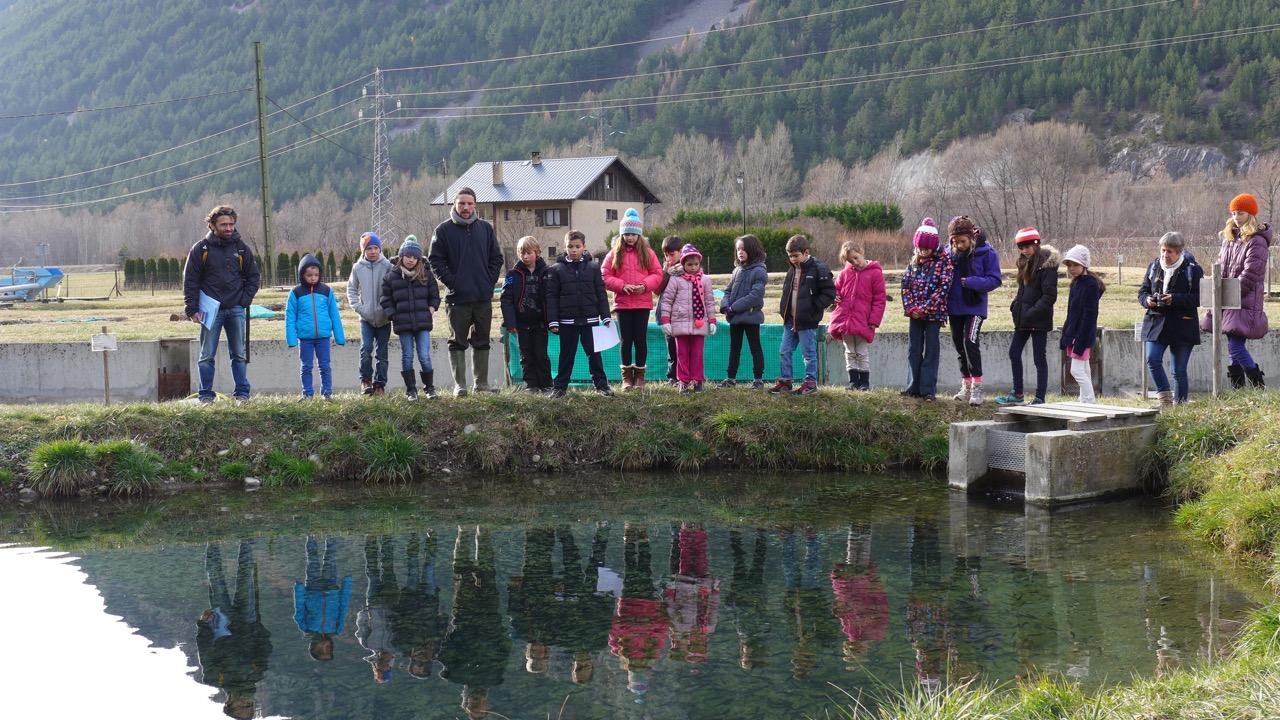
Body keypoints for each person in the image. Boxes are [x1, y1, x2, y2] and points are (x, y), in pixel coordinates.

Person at [428, 187, 504, 396]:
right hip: (457, 299)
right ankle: (459, 386)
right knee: (457, 341)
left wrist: (488, 282)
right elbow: (435, 261)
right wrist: (453, 283)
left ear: (475, 205)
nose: (466, 207)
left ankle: (481, 385)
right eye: (462, 203)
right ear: (455, 204)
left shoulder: (485, 229)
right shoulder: (442, 231)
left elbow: (496, 259)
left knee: (482, 340)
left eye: (469, 203)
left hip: (482, 297)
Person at [183, 205, 261, 403]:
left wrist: (244, 300)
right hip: (210, 312)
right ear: (212, 225)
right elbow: (190, 280)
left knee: (239, 354)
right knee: (206, 355)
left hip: (236, 309)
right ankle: (205, 396)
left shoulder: (242, 248)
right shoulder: (200, 249)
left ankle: (242, 394)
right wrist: (192, 309)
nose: (228, 228)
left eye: (231, 224)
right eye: (224, 224)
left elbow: (253, 276)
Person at [1201, 193, 1272, 389]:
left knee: (1235, 345)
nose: (1235, 217)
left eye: (1240, 213)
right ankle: (1238, 389)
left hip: (1244, 299)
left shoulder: (1257, 241)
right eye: (1233, 213)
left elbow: (1251, 274)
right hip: (1227, 297)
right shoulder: (1230, 237)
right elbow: (1221, 265)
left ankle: (1257, 384)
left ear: (1250, 214)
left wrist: (1229, 293)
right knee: (1233, 345)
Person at [196, 541, 272, 720]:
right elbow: (265, 647)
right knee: (246, 579)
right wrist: (257, 628)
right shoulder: (258, 673)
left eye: (239, 707)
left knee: (217, 581)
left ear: (228, 704)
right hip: (248, 621)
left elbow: (205, 651)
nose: (244, 702)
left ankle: (212, 540)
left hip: (221, 626)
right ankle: (246, 539)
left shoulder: (215, 679)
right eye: (248, 706)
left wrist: (204, 625)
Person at [995, 228, 1060, 406]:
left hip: (1038, 319)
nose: (1024, 250)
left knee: (1039, 358)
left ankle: (1040, 397)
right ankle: (1018, 393)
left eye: (1027, 246)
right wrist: (1015, 306)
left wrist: (1031, 313)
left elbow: (1049, 296)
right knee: (1014, 352)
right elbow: (1022, 291)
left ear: (1036, 244)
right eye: (1021, 247)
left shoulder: (1048, 265)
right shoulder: (1024, 262)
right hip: (1023, 318)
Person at [546, 229, 613, 397]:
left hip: (590, 321)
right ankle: (559, 388)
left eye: (577, 246)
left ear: (584, 247)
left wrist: (605, 316)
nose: (574, 250)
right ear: (565, 247)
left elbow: (601, 294)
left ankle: (602, 386)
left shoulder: (593, 267)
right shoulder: (556, 269)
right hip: (567, 322)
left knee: (594, 355)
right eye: (570, 246)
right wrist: (553, 321)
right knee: (566, 356)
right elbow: (552, 297)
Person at [1139, 232, 1203, 405]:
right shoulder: (1154, 266)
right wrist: (1147, 300)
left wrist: (1175, 299)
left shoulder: (1193, 270)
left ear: (1179, 252)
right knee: (1152, 359)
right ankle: (1165, 399)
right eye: (1163, 250)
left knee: (1179, 370)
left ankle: (1180, 406)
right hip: (1156, 322)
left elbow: (1200, 298)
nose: (1165, 255)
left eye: (1170, 252)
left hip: (1183, 324)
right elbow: (1143, 291)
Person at [602, 209, 663, 390]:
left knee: (640, 340)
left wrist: (644, 285)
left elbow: (657, 274)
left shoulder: (649, 253)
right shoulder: (614, 254)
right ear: (622, 235)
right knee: (626, 340)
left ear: (639, 236)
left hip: (642, 303)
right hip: (623, 304)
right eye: (627, 234)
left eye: (633, 234)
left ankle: (640, 377)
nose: (630, 237)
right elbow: (604, 274)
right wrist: (621, 286)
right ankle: (626, 378)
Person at [945, 216, 1002, 405]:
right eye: (955, 242)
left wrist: (972, 282)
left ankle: (977, 387)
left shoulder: (987, 253)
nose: (959, 245)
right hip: (955, 307)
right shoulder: (948, 254)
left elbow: (995, 280)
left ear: (971, 238)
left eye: (962, 241)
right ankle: (966, 385)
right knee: (959, 345)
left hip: (975, 307)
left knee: (970, 341)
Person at [769, 234, 836, 396]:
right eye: (790, 256)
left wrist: (813, 308)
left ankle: (810, 382)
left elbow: (829, 293)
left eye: (796, 255)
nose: (793, 259)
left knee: (808, 354)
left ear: (806, 252)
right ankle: (786, 381)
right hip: (790, 320)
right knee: (784, 351)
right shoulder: (792, 270)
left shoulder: (819, 268)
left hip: (807, 321)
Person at [900, 219, 954, 401]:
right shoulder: (913, 264)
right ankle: (912, 386)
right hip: (914, 315)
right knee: (913, 349)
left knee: (931, 350)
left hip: (934, 314)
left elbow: (943, 288)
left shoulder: (944, 262)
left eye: (926, 249)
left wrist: (925, 308)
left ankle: (928, 389)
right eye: (920, 249)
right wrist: (910, 308)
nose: (923, 252)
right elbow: (905, 286)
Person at [381, 236, 441, 400]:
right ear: (401, 256)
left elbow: (435, 296)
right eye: (408, 256)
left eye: (415, 257)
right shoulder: (391, 277)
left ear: (419, 259)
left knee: (424, 355)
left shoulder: (427, 275)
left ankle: (429, 388)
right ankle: (411, 390)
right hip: (403, 324)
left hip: (423, 322)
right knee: (407, 355)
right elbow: (386, 299)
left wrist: (432, 308)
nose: (411, 260)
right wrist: (393, 315)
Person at [827, 242, 886, 391]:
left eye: (856, 257)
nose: (855, 262)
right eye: (850, 260)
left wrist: (874, 320)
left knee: (861, 351)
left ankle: (864, 382)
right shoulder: (845, 273)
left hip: (863, 320)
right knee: (849, 351)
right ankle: (853, 381)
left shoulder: (875, 273)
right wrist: (836, 296)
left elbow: (879, 299)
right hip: (845, 320)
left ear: (861, 252)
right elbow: (836, 289)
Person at [285, 254, 346, 399]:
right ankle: (307, 393)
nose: (313, 278)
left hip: (323, 337)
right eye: (309, 275)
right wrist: (291, 338)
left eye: (316, 275)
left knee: (325, 366)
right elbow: (290, 316)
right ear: (302, 275)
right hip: (305, 338)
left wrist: (339, 336)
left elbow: (334, 314)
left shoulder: (326, 291)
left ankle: (327, 393)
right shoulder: (296, 293)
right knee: (306, 366)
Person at [660, 244, 717, 393]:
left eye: (696, 264)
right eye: (689, 264)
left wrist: (712, 320)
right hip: (680, 324)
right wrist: (666, 320)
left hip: (699, 324)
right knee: (682, 354)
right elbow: (667, 300)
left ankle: (698, 380)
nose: (693, 267)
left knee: (697, 354)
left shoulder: (705, 280)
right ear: (683, 264)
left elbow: (710, 302)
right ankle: (683, 381)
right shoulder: (675, 280)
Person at [500, 235, 552, 392]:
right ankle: (531, 385)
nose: (525, 256)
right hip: (521, 324)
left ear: (537, 252)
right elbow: (506, 300)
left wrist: (552, 320)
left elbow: (552, 297)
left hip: (541, 323)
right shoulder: (511, 275)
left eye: (529, 253)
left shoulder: (547, 272)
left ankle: (547, 384)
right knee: (526, 356)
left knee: (541, 355)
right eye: (522, 253)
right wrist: (511, 323)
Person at [718, 234, 769, 389]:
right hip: (735, 318)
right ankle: (731, 378)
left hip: (751, 317)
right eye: (738, 249)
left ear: (752, 250)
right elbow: (727, 291)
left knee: (755, 348)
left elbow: (755, 295)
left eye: (744, 249)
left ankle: (758, 379)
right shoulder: (737, 271)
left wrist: (734, 308)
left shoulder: (760, 271)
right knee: (734, 349)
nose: (740, 252)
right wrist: (725, 305)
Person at [292, 536, 353, 662]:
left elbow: (299, 607)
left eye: (322, 650)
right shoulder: (337, 630)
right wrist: (347, 585)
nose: (326, 647)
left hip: (312, 588)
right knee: (330, 558)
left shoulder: (306, 628)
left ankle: (311, 535)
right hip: (332, 589)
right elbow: (344, 607)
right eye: (329, 650)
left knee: (312, 560)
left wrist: (299, 589)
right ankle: (330, 533)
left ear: (313, 647)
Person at [347, 232, 394, 396]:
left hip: (384, 319)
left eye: (375, 248)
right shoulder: (357, 267)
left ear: (380, 249)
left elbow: (395, 288)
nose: (373, 251)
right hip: (366, 318)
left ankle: (380, 383)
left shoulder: (387, 266)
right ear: (363, 250)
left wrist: (389, 309)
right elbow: (351, 289)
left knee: (382, 353)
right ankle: (365, 380)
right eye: (369, 248)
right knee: (366, 349)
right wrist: (359, 307)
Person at [1059, 244, 1105, 404]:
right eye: (1069, 265)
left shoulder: (1091, 284)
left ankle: (1089, 400)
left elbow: (1090, 315)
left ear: (1084, 264)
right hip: (1074, 333)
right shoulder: (1076, 283)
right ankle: (1083, 398)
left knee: (1076, 370)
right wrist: (1066, 333)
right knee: (1083, 368)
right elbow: (1071, 312)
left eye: (1075, 264)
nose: (1071, 268)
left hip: (1083, 335)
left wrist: (1081, 338)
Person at [357, 535, 400, 685]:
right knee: (388, 569)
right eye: (383, 669)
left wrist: (364, 611)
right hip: (392, 603)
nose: (380, 666)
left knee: (372, 572)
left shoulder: (368, 644)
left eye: (378, 669)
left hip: (373, 604)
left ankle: (370, 539)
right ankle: (387, 536)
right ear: (389, 667)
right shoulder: (399, 647)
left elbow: (361, 626)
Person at [655, 235, 685, 386]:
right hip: (667, 314)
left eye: (672, 254)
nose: (668, 257)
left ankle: (685, 376)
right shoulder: (665, 268)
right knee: (671, 347)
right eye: (666, 254)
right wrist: (665, 272)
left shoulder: (688, 266)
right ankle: (672, 376)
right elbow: (657, 290)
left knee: (684, 347)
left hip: (683, 315)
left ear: (681, 252)